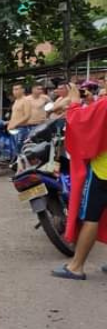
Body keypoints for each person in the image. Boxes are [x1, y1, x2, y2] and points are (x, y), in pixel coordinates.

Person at [51, 83, 107, 280]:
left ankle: (76, 266)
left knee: (91, 217)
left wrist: (74, 103)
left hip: (103, 171)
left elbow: (81, 124)